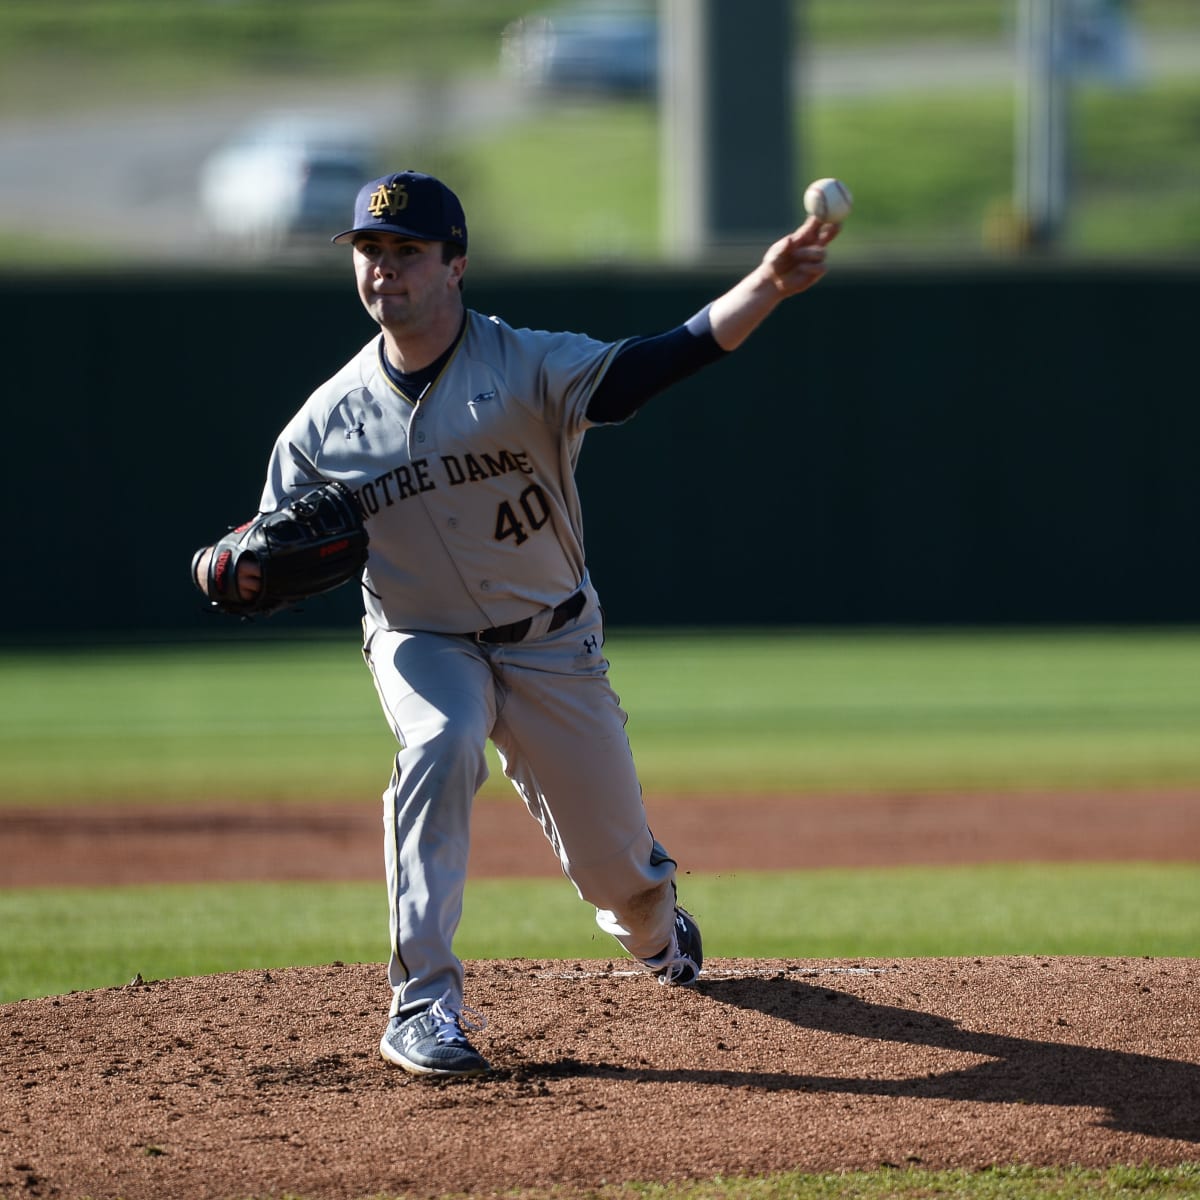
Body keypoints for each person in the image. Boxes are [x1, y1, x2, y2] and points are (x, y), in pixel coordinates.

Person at [192, 170, 839, 1077]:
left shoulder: (527, 363)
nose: (386, 270)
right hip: (422, 638)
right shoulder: (322, 425)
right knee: (440, 744)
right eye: (370, 252)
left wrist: (767, 285)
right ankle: (421, 1007)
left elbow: (654, 363)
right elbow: (255, 546)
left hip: (552, 641)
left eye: (408, 251)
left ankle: (653, 926)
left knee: (620, 875)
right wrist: (233, 569)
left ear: (455, 264)